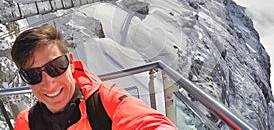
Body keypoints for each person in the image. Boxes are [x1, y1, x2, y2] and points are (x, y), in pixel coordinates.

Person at [11, 24, 177, 130]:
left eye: (56, 66)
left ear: (70, 62)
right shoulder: (26, 122)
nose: (49, 84)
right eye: (32, 75)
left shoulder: (105, 105)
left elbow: (145, 122)